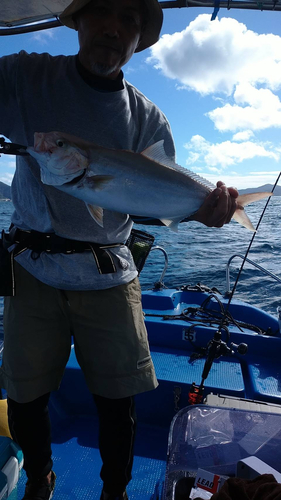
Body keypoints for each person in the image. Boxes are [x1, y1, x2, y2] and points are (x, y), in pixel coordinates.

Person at [0, 1, 238, 499]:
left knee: (118, 400)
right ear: (77, 20)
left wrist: (205, 209)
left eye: (129, 19)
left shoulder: (149, 118)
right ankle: (40, 479)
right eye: (102, 11)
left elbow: (151, 204)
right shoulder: (25, 76)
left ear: (139, 38)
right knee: (23, 396)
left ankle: (116, 491)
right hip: (32, 269)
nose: (113, 27)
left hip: (109, 273)